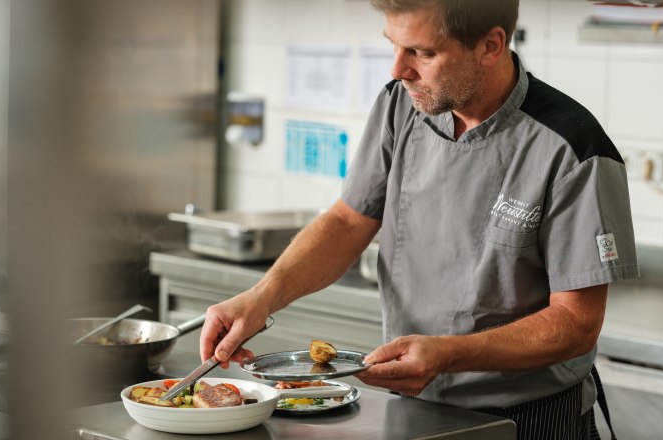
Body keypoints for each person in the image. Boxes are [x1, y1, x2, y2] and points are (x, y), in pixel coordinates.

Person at [199, 0, 638, 438]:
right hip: (412, 408)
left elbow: (576, 324)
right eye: (394, 46)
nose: (398, 69)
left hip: (529, 418)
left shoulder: (573, 148)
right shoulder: (401, 105)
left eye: (422, 53)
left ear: (490, 45)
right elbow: (349, 221)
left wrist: (448, 355)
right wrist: (263, 297)